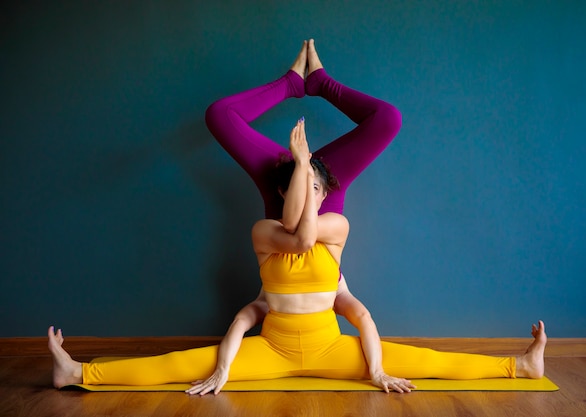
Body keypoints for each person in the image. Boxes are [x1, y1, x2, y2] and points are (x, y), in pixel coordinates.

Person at [48, 116, 547, 394]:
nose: (307, 195)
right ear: (283, 195)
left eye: (314, 188)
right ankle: (76, 372)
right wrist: (223, 367)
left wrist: (375, 370)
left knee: (425, 361)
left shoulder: (336, 227)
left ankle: (521, 368)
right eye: (297, 187)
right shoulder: (264, 231)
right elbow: (268, 279)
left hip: (332, 348)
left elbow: (360, 312)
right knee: (185, 365)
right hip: (273, 350)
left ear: (325, 197)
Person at [202, 39, 411, 393]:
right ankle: (312, 83)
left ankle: (304, 84)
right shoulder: (329, 234)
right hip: (297, 179)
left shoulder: (280, 237)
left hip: (308, 177)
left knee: (219, 116)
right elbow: (301, 234)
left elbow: (295, 231)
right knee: (388, 119)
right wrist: (301, 166)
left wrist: (304, 165)